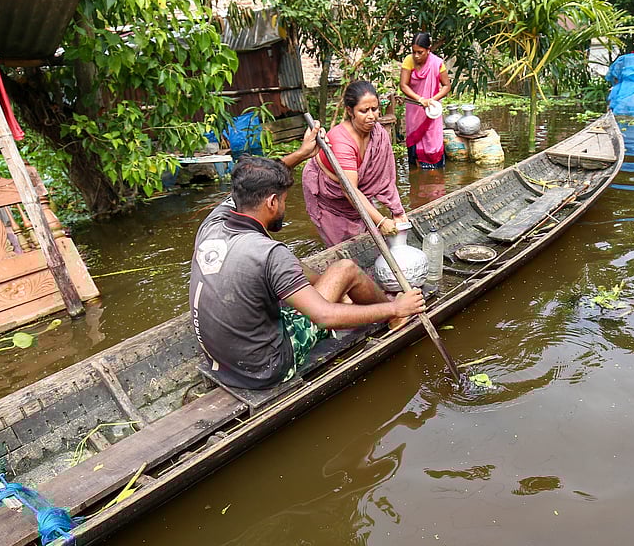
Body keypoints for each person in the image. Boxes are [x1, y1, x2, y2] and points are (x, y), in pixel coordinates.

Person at [190, 134, 425, 391]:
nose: (284, 207)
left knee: (305, 273)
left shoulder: (214, 222)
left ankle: (346, 297)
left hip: (223, 363)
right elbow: (323, 317)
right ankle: (393, 316)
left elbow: (257, 178)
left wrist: (302, 154)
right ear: (271, 202)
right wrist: (397, 308)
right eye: (284, 201)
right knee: (345, 269)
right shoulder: (269, 252)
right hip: (267, 368)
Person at [303, 80, 407, 246]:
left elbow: (386, 177)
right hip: (332, 197)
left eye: (375, 109)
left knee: (370, 239)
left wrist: (397, 210)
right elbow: (349, 189)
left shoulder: (378, 133)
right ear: (350, 111)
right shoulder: (341, 142)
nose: (372, 116)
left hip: (355, 192)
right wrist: (381, 222)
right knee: (342, 248)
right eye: (364, 111)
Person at [400, 32, 451, 168]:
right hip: (415, 111)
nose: (416, 56)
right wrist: (420, 99)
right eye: (414, 52)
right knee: (415, 144)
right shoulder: (408, 61)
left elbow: (447, 86)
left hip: (431, 111)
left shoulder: (437, 63)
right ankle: (416, 173)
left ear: (428, 50)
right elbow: (403, 85)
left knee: (433, 142)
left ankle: (436, 173)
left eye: (420, 52)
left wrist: (432, 100)